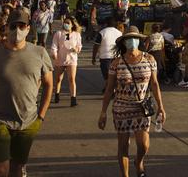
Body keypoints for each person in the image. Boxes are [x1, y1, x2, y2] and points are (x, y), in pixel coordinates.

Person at [0, 7, 54, 177]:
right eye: (13, 26)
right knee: (1, 170)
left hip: (28, 122)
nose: (17, 31)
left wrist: (41, 117)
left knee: (17, 169)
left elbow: (49, 84)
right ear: (6, 28)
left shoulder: (40, 53)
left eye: (22, 26)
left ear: (28, 29)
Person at [98, 26, 165, 177]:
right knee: (123, 146)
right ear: (123, 42)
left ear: (139, 40)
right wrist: (103, 112)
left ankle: (139, 161)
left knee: (143, 145)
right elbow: (109, 89)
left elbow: (154, 84)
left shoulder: (149, 59)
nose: (131, 41)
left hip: (142, 107)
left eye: (134, 38)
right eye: (128, 39)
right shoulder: (116, 63)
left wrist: (161, 107)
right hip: (121, 108)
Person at [51, 16, 83, 106]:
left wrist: (76, 49)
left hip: (72, 59)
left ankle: (73, 98)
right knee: (58, 79)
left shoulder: (76, 35)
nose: (66, 24)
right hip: (60, 59)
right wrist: (54, 53)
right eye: (65, 22)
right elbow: (54, 45)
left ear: (72, 25)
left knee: (71, 79)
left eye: (68, 23)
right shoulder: (58, 34)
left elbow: (79, 46)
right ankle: (57, 95)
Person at [93, 17, 125, 91]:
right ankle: (111, 89)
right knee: (115, 74)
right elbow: (122, 45)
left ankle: (110, 90)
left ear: (106, 24)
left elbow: (96, 46)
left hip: (105, 57)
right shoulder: (119, 33)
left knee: (108, 76)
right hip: (117, 57)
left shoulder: (102, 33)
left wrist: (93, 57)